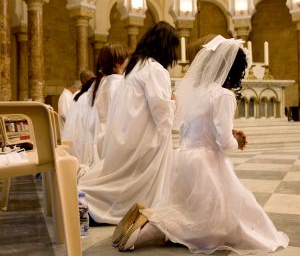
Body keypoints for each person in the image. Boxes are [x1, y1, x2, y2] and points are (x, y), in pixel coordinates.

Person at [114, 35, 289, 254]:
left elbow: (192, 126)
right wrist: (236, 141)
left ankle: (150, 224)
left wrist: (229, 134)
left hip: (184, 158)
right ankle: (151, 228)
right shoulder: (223, 95)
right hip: (206, 163)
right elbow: (223, 143)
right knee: (212, 225)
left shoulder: (195, 92)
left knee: (191, 211)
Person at [78, 21, 179, 224]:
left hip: (128, 135)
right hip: (145, 138)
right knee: (131, 186)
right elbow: (161, 113)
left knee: (120, 180)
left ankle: (84, 199)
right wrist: (173, 102)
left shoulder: (135, 67)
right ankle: (86, 203)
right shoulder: (155, 69)